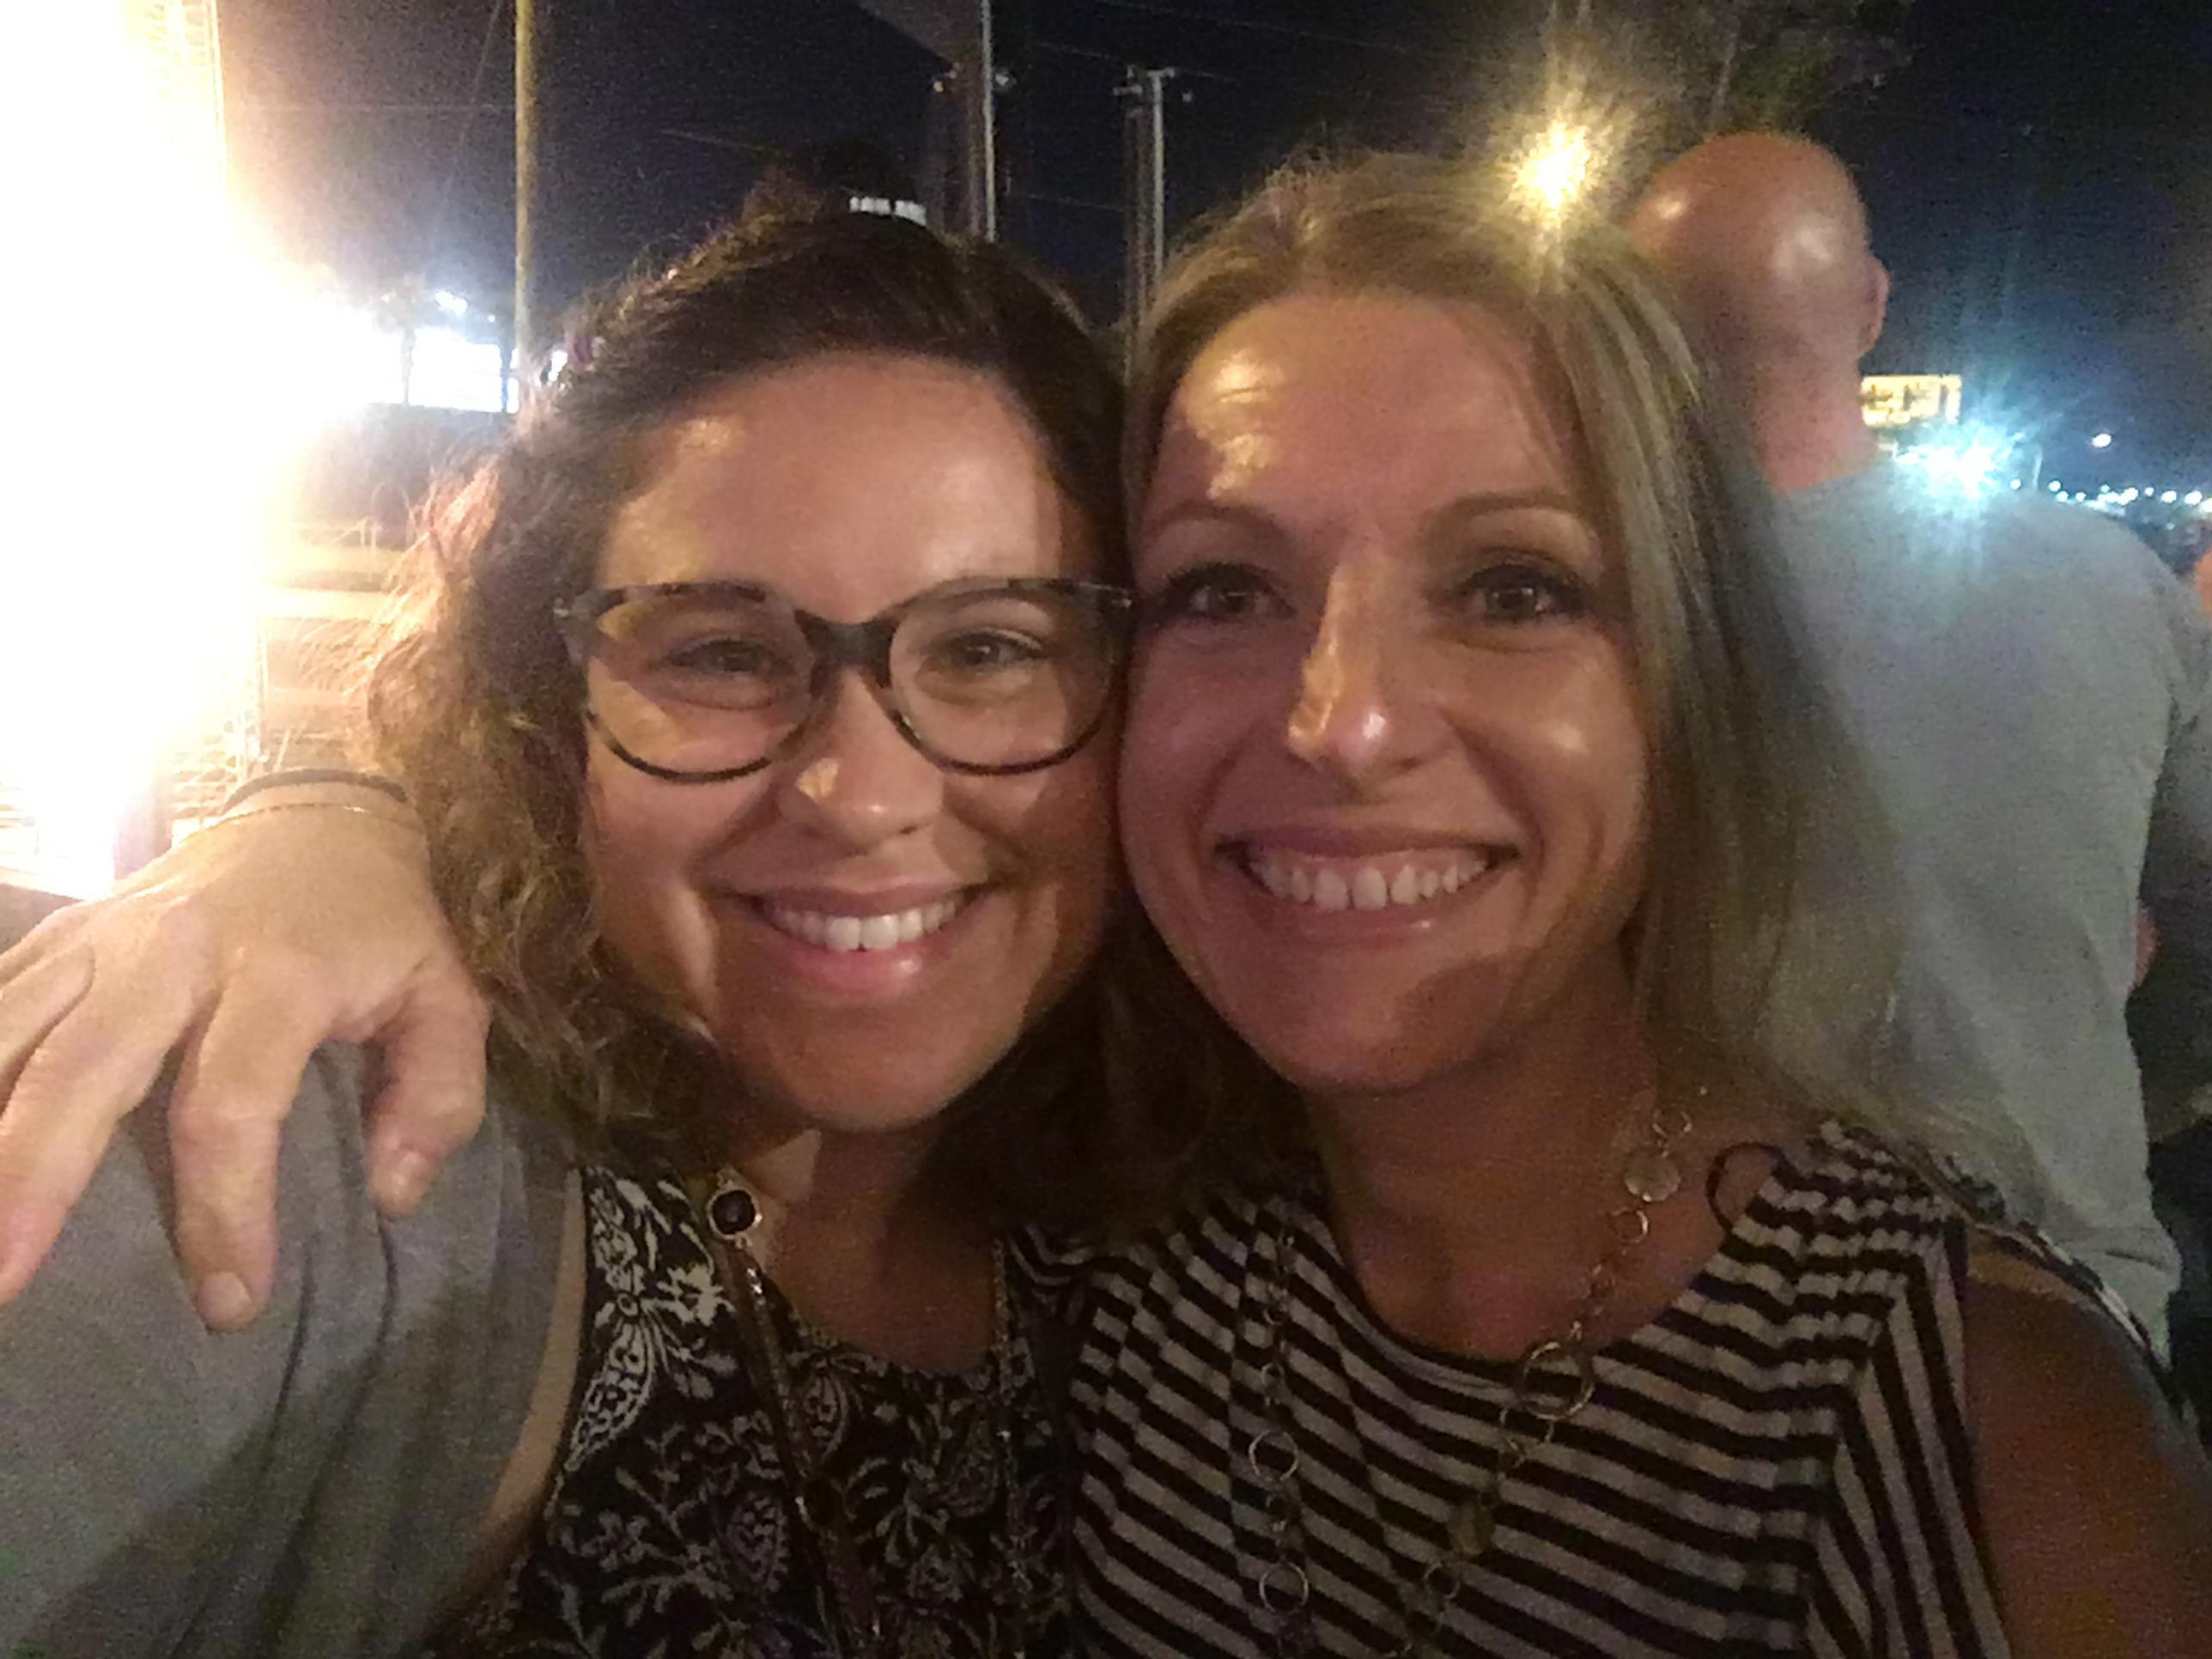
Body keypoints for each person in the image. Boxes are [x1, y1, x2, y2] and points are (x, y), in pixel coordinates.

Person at [8, 153, 2212, 1656]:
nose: (1342, 725)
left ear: (1687, 680)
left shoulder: (1981, 1441)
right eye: (1225, 591)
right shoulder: (358, 1168)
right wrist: (314, 821)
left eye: (1516, 587)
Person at [0, 206, 1133, 1655]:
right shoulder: (304, 1165)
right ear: (546, 712)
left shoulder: (1196, 1230)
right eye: (722, 653)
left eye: (990, 649)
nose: (859, 793)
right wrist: (326, 817)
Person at [1626, 132, 2212, 1340]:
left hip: (1704, 1332)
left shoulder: (1599, 625)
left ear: (1640, 342)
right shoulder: (2113, 579)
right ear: (1874, 305)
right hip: (2075, 1306)